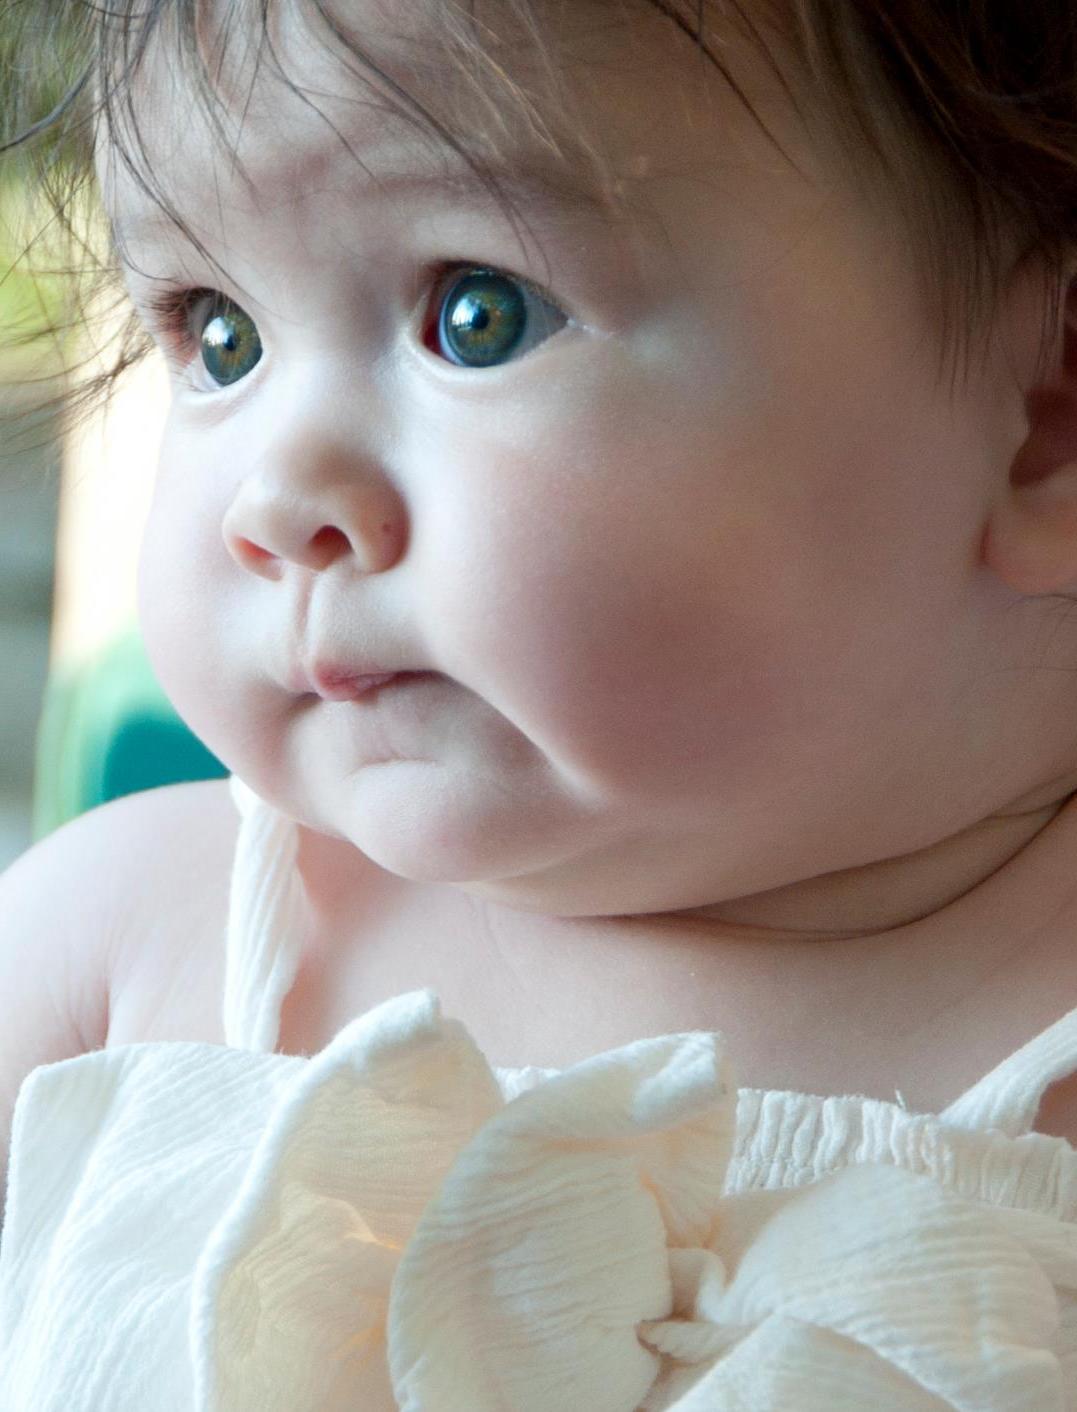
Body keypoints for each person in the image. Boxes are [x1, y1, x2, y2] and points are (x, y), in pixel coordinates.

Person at [1, 0, 1077, 1405]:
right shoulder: (115, 951)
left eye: (476, 314)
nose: (279, 500)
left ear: (1046, 417)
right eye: (219, 339)